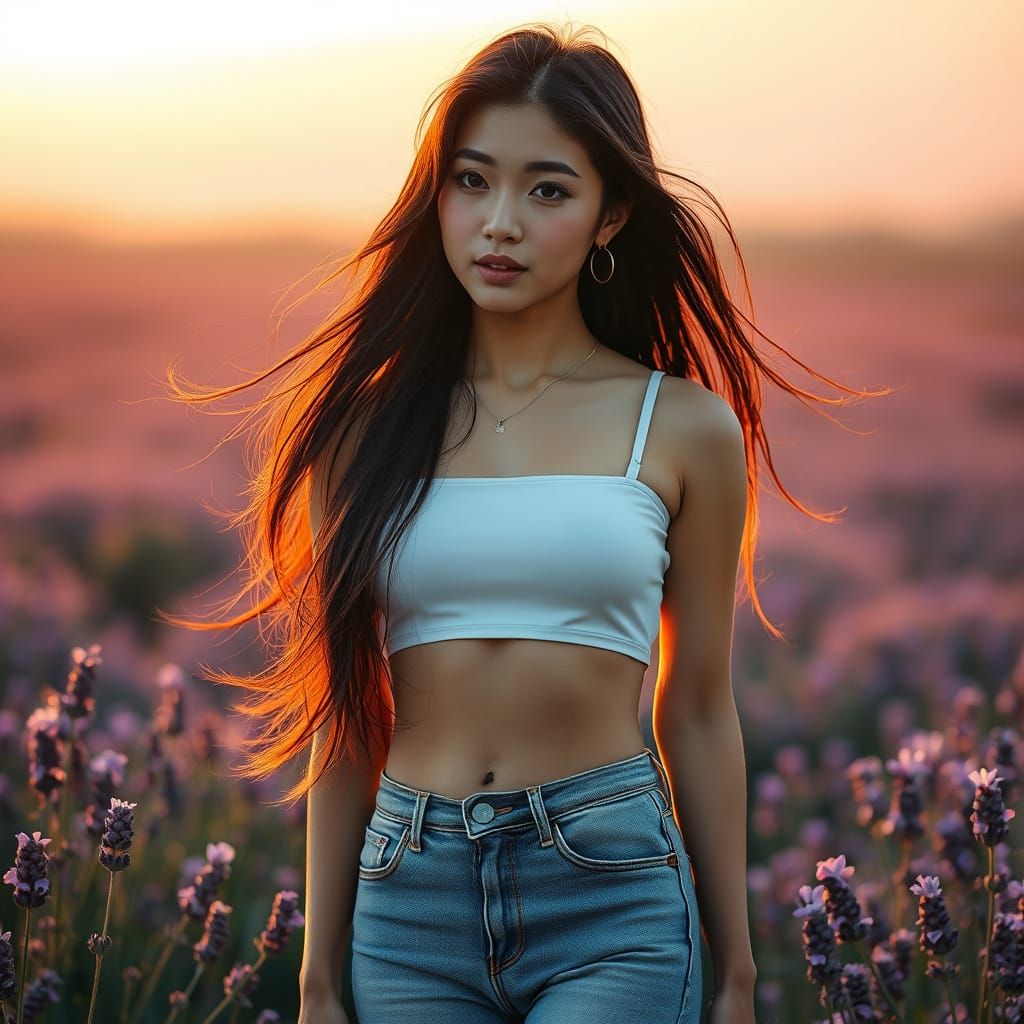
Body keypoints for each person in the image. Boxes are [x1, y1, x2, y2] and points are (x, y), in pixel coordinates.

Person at [163, 21, 887, 1024]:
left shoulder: (682, 428)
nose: (499, 222)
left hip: (609, 893)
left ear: (609, 214)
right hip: (408, 900)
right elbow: (347, 715)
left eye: (547, 191)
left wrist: (737, 972)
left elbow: (696, 709)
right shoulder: (363, 430)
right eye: (472, 182)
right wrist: (318, 976)